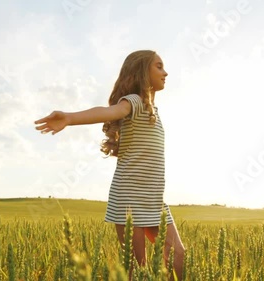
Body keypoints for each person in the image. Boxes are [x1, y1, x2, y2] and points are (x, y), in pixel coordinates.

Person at [34, 50, 185, 280]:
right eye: (159, 66)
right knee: (137, 270)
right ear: (142, 71)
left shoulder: (155, 111)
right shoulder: (133, 102)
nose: (165, 72)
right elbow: (108, 111)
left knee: (179, 257)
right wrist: (69, 118)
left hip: (153, 199)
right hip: (129, 198)